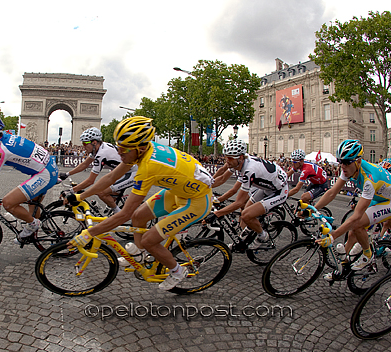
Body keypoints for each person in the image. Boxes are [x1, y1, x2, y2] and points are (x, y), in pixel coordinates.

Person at [66, 116, 214, 291]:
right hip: (178, 192)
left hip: (197, 201)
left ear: (140, 148)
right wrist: (81, 196)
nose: (119, 153)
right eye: (118, 148)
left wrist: (88, 233)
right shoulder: (142, 150)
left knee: (150, 239)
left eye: (123, 150)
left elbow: (124, 214)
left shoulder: (148, 167)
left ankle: (177, 271)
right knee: (138, 216)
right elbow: (111, 176)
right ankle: (141, 255)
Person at [312, 139, 391, 271]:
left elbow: (356, 216)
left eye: (346, 162)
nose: (343, 166)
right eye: (340, 161)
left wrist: (333, 236)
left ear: (358, 161)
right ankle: (342, 265)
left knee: (357, 223)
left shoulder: (369, 179)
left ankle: (367, 254)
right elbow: (332, 193)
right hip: (378, 196)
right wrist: (314, 208)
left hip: (390, 202)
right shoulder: (349, 167)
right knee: (353, 232)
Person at [210, 139, 289, 249]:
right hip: (267, 187)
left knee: (246, 214)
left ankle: (263, 236)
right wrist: (205, 186)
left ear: (241, 157)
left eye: (230, 158)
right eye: (225, 156)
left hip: (279, 191)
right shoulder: (238, 161)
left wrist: (217, 214)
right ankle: (242, 240)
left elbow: (238, 202)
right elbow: (222, 178)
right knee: (245, 213)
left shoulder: (249, 170)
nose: (226, 160)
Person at [59, 127, 137, 215]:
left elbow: (90, 181)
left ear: (94, 142)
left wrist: (71, 191)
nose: (83, 146)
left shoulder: (101, 154)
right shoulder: (98, 149)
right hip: (120, 172)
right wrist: (66, 174)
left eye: (85, 143)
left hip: (131, 173)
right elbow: (85, 164)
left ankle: (119, 215)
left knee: (101, 192)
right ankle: (113, 206)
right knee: (104, 191)